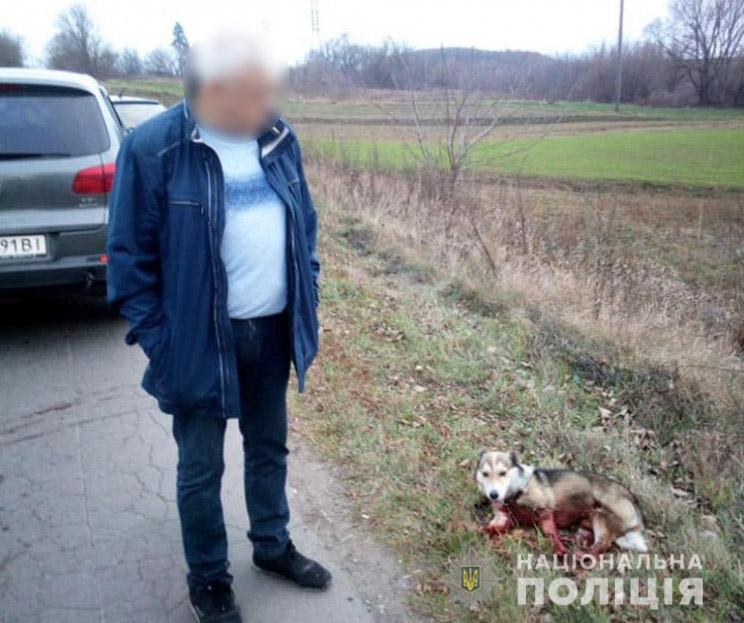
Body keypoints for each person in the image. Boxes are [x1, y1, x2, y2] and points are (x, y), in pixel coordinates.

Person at [107, 30, 328, 623]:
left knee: (268, 448)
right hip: (199, 342)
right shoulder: (156, 148)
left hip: (273, 331)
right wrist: (164, 343)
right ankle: (208, 578)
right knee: (202, 468)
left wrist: (307, 292)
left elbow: (304, 227)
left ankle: (272, 546)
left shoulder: (278, 138)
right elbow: (128, 260)